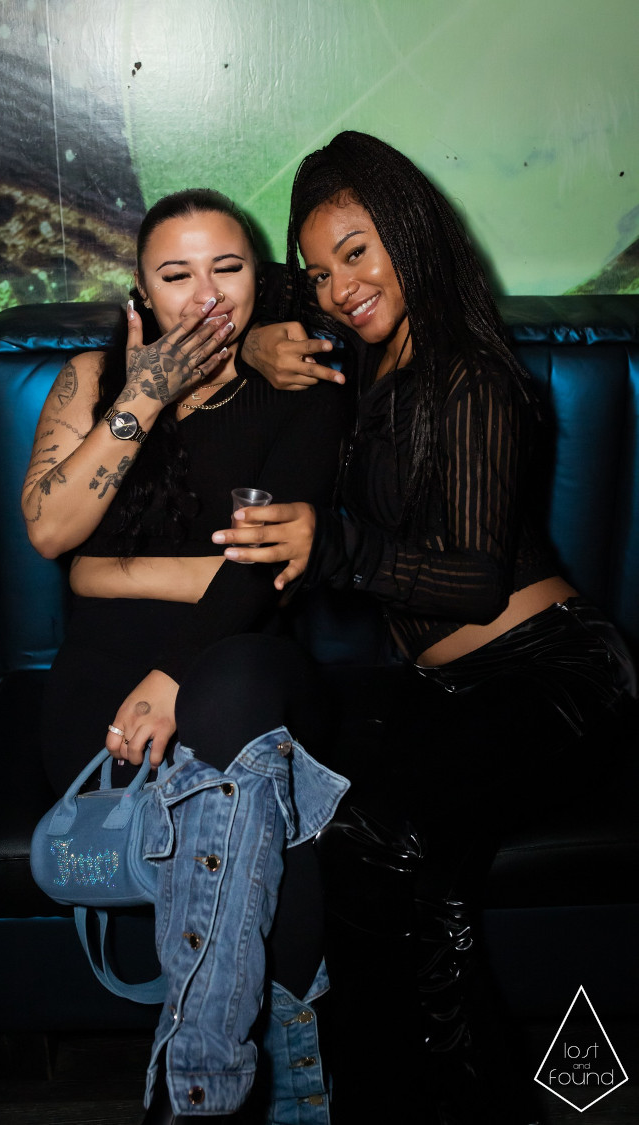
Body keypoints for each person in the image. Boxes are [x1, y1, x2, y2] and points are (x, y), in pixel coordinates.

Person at [212, 132, 638, 1125]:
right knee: (331, 822)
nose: (339, 288)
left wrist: (334, 547)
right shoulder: (370, 356)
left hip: (553, 674)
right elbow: (251, 285)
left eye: (357, 253)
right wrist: (250, 341)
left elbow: (476, 579)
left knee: (388, 840)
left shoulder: (469, 374)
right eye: (322, 272)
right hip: (448, 690)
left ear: (407, 231)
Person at [21, 188, 349, 1123]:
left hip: (247, 679)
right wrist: (147, 391)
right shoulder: (93, 378)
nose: (205, 294)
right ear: (141, 290)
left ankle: (197, 1090)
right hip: (103, 712)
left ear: (259, 279)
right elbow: (51, 533)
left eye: (227, 268)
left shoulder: (299, 385)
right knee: (255, 806)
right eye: (177, 275)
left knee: (234, 690)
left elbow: (267, 573)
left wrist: (122, 592)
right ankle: (294, 1092)